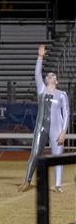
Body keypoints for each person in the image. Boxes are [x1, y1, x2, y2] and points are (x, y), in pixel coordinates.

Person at [19, 45, 70, 192]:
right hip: (41, 126)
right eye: (48, 75)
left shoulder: (62, 94)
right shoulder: (41, 90)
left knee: (57, 156)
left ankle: (58, 184)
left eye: (54, 76)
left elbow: (66, 113)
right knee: (35, 153)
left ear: (57, 81)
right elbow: (37, 74)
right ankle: (27, 180)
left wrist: (63, 132)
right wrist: (40, 57)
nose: (50, 76)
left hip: (56, 128)